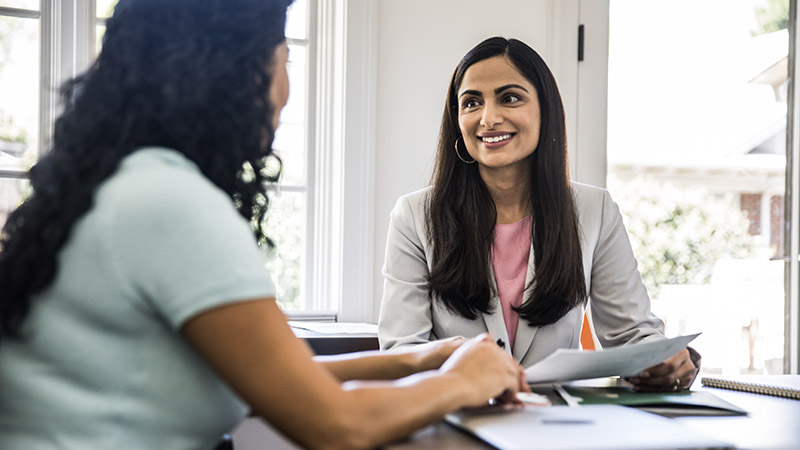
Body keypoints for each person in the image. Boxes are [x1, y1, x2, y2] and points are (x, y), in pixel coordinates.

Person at [0, 3, 529, 449]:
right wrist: (462, 381)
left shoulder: (126, 182)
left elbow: (278, 379)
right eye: (285, 60)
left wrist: (426, 358)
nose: (286, 88)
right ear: (232, 71)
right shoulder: (170, 203)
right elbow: (333, 422)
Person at [378, 36, 700, 393]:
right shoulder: (414, 217)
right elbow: (401, 352)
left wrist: (662, 360)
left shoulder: (595, 210)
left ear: (545, 110)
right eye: (471, 103)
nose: (489, 118)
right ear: (457, 120)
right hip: (455, 422)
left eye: (510, 98)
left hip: (558, 427)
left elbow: (632, 334)